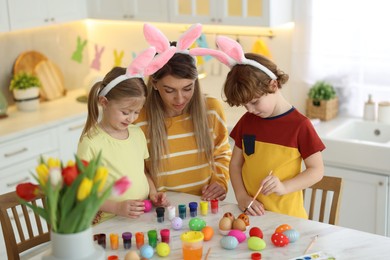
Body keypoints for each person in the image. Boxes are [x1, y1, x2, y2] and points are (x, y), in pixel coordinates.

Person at [213, 36, 325, 218]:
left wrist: (284, 187)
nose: (250, 110)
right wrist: (241, 197)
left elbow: (317, 170)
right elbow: (235, 165)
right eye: (245, 105)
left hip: (288, 218)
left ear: (274, 85)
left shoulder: (300, 125)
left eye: (255, 102)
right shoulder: (247, 121)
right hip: (252, 215)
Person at [134, 23, 231, 201]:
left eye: (187, 88)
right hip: (161, 209)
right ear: (154, 84)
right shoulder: (138, 118)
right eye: (170, 90)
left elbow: (222, 153)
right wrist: (152, 192)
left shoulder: (212, 109)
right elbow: (136, 167)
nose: (180, 99)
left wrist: (220, 181)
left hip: (204, 205)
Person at [77, 47, 169, 223]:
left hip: (141, 213)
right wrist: (117, 208)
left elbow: (141, 172)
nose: (132, 118)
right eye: (126, 112)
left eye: (136, 112)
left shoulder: (136, 133)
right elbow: (85, 194)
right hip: (109, 220)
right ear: (104, 102)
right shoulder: (91, 143)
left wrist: (153, 192)